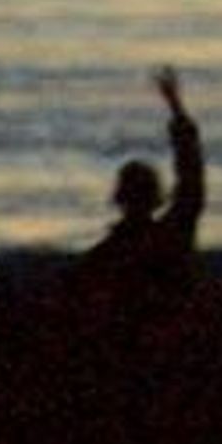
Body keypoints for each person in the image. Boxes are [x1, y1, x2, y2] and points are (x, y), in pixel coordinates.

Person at [78, 66, 207, 303]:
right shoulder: (173, 231)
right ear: (157, 195)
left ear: (118, 197)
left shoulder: (109, 252)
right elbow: (191, 174)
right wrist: (176, 107)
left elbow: (191, 175)